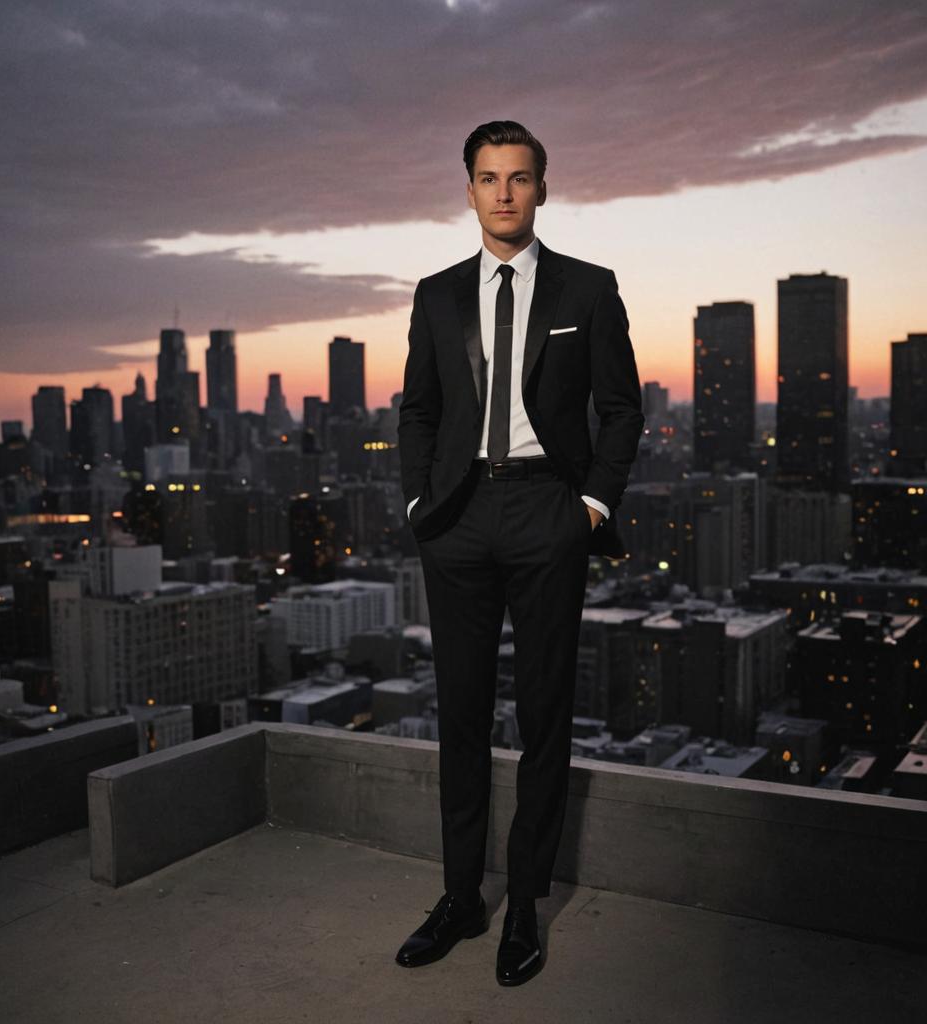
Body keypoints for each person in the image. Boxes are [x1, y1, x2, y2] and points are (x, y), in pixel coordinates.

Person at [394, 119, 645, 986]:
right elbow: (418, 407)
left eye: (520, 177)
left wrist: (590, 504)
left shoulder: (588, 289)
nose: (504, 193)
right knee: (459, 716)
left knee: (543, 716)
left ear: (544, 188)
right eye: (489, 178)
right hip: (458, 519)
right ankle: (462, 898)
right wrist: (420, 498)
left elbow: (622, 409)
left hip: (548, 510)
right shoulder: (435, 294)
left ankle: (525, 906)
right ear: (467, 189)